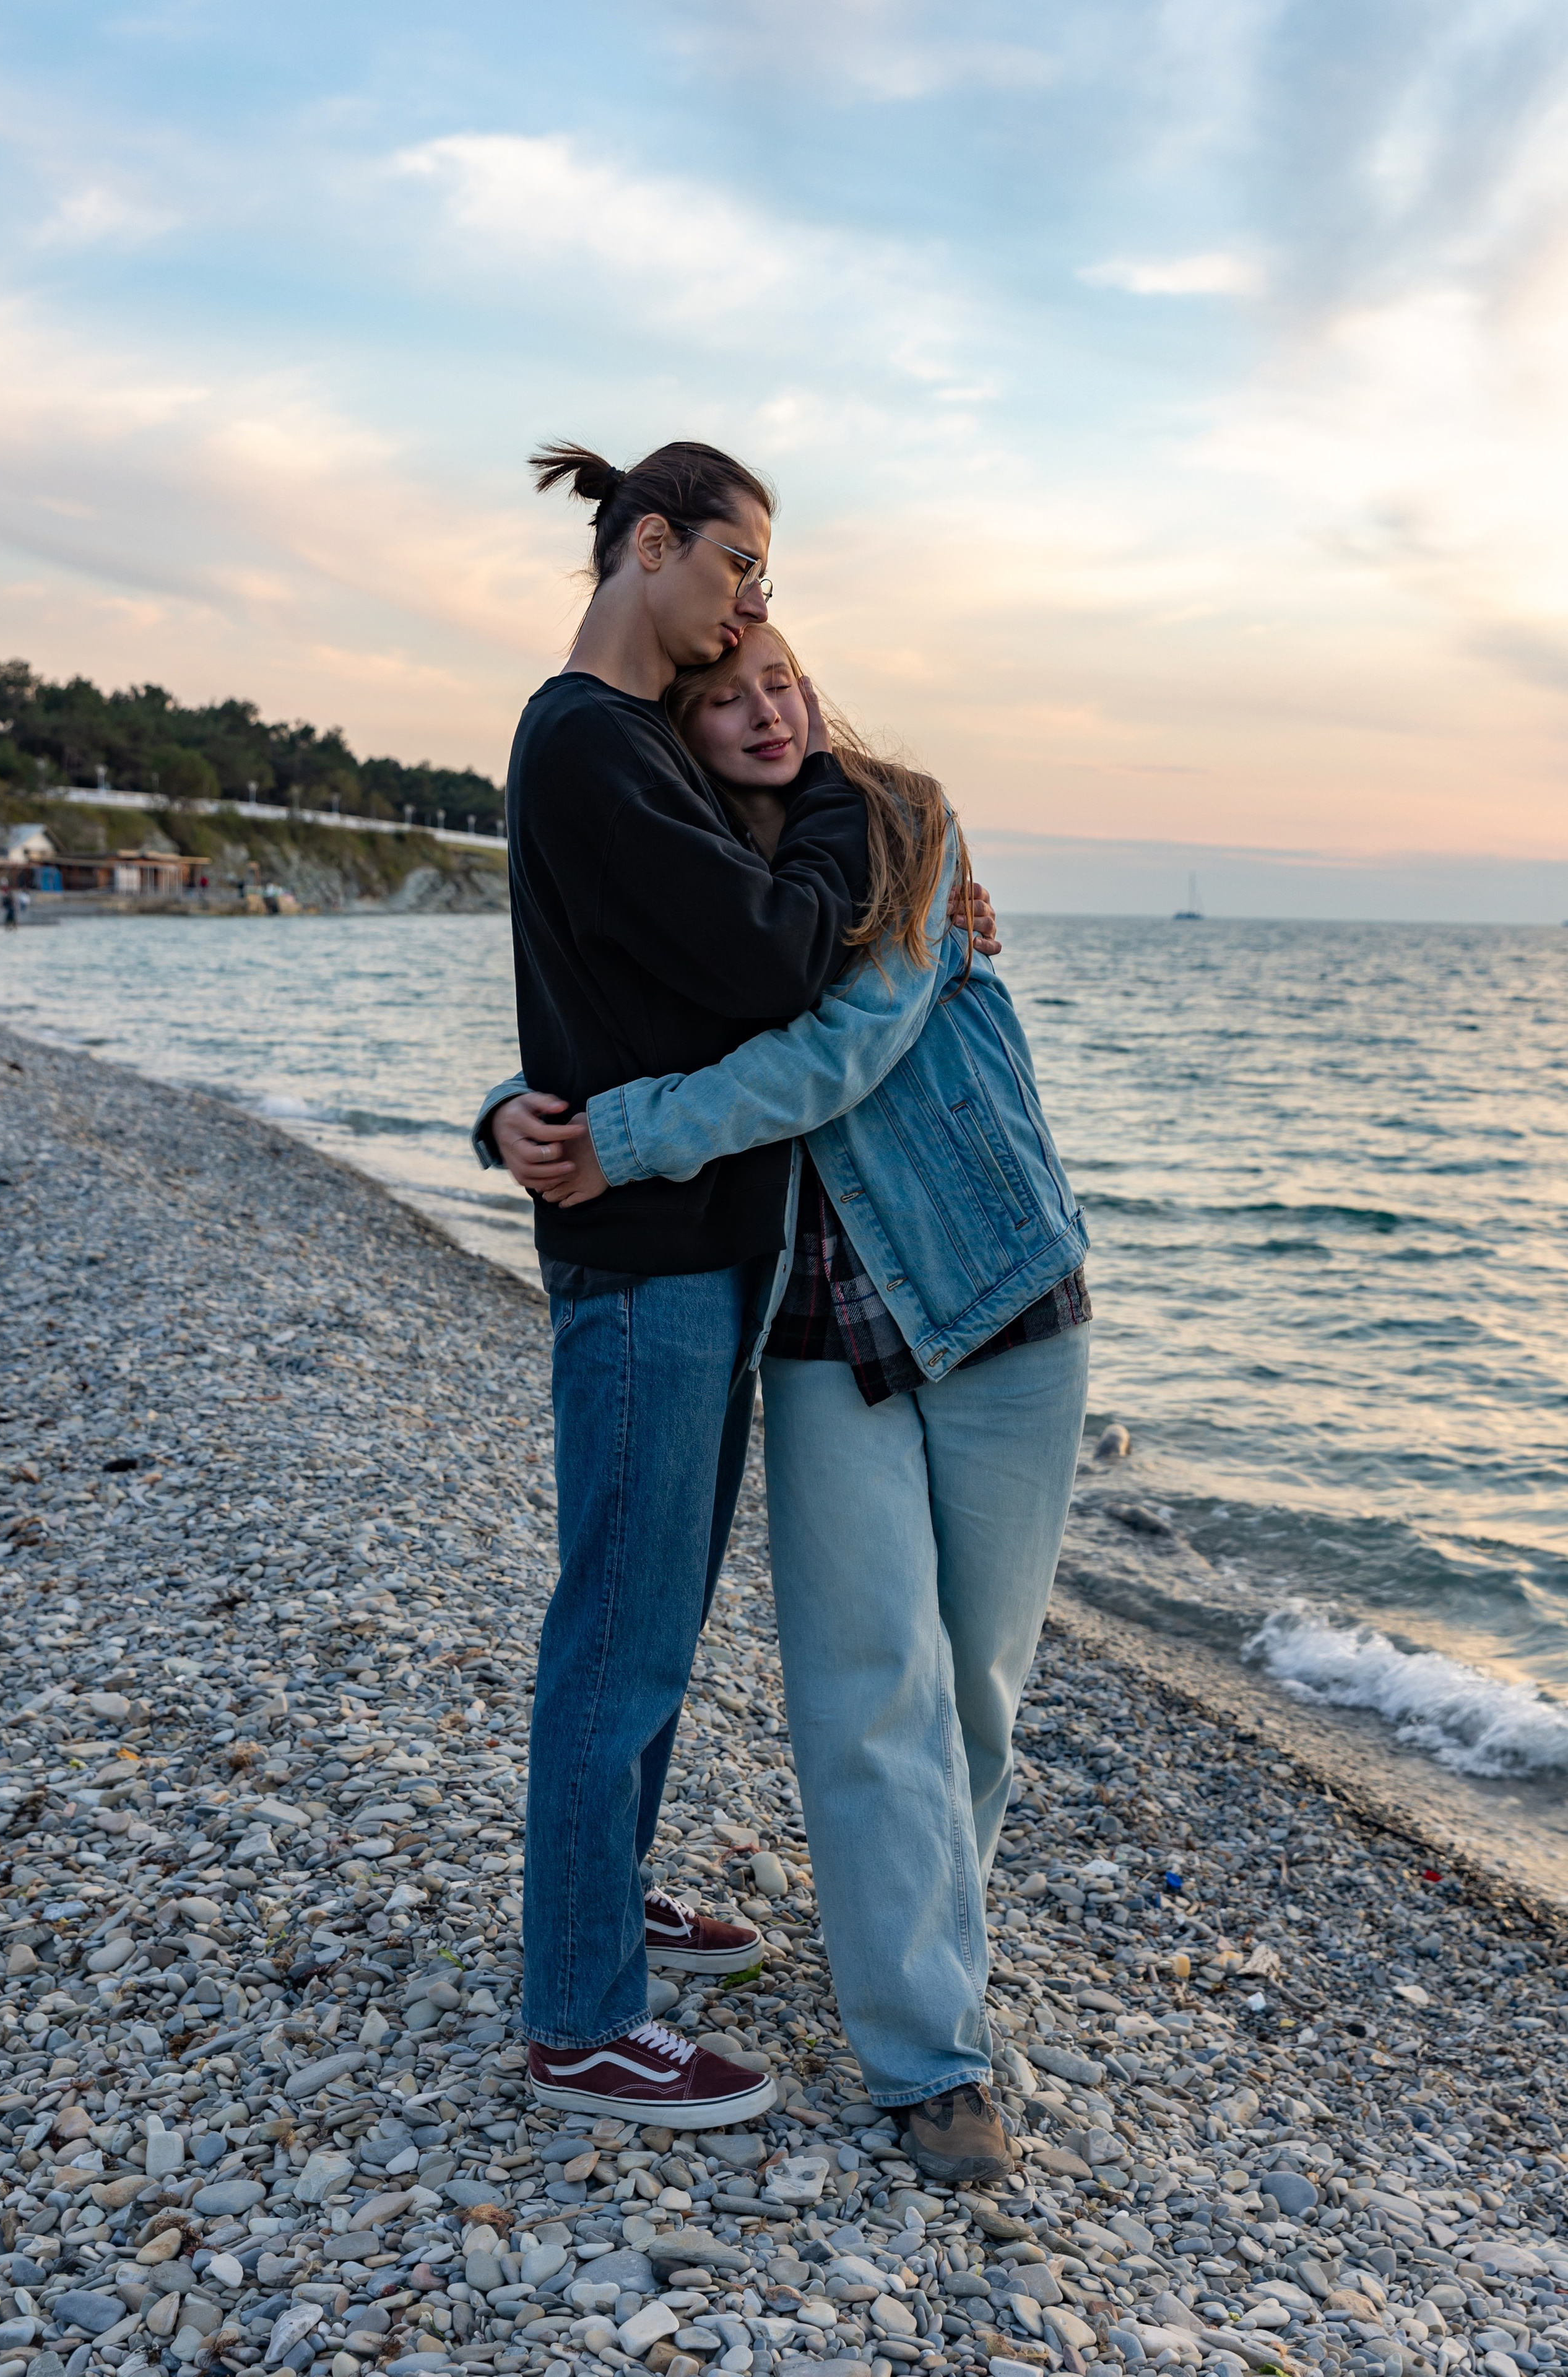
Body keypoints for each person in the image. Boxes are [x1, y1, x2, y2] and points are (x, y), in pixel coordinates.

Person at [494, 623, 1091, 2184]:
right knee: (859, 1683)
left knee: (974, 1690)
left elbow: (838, 1053)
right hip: (814, 1330)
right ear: (677, 736)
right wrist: (508, 1110)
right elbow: (577, 1019)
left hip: (997, 1287)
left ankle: (919, 1951)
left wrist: (620, 1136)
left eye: (781, 686)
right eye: (720, 701)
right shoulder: (693, 884)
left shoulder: (906, 826)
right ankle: (927, 2054)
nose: (764, 714)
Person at [475, 437, 886, 2129]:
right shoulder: (588, 740)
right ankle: (579, 2011)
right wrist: (862, 804)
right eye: (740, 565)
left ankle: (602, 1896)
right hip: (644, 1269)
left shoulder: (631, 748)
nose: (755, 602)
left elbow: (624, 991)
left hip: (683, 1249)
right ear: (651, 545)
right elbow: (766, 960)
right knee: (621, 1636)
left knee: (648, 1619)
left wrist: (494, 1109)